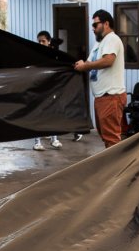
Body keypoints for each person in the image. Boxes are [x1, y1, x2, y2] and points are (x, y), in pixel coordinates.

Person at [74, 10, 126, 148]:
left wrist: (86, 65)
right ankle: (112, 167)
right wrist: (82, 65)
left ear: (106, 24)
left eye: (95, 25)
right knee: (106, 137)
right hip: (102, 97)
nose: (93, 28)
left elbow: (108, 61)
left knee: (112, 139)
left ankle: (116, 169)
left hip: (111, 96)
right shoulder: (99, 44)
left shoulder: (112, 39)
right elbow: (88, 64)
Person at [33, 30, 64, 151]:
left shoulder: (54, 54)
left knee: (52, 113)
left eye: (43, 41)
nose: (41, 43)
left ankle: (54, 139)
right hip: (39, 88)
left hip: (51, 88)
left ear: (49, 42)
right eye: (39, 41)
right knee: (37, 114)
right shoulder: (35, 54)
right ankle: (37, 142)